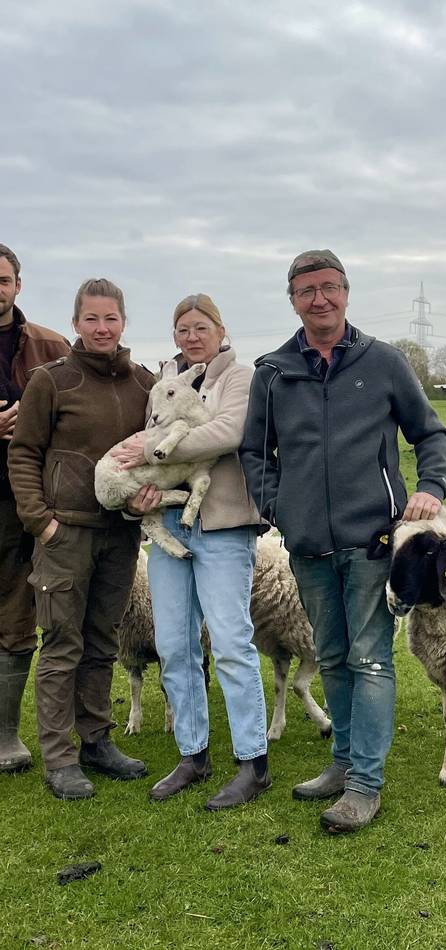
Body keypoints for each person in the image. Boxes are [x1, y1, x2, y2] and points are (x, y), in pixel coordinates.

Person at [240, 249, 446, 834]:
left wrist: (430, 487)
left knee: (370, 658)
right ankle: (341, 763)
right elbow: (256, 453)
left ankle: (364, 784)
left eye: (329, 288)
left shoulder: (383, 363)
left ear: (346, 292)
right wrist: (276, 504)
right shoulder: (274, 372)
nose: (320, 300)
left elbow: (430, 434)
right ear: (293, 300)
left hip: (373, 541)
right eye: (307, 291)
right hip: (306, 546)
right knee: (330, 655)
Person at [114, 293, 270, 809]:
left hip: (223, 525)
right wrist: (142, 486)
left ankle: (253, 761)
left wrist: (154, 448)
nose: (192, 335)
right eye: (183, 328)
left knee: (229, 642)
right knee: (175, 646)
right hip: (172, 529)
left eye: (201, 326)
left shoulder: (240, 378)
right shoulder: (166, 383)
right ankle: (192, 754)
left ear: (220, 330)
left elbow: (228, 431)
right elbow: (148, 440)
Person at [8, 278, 154, 799]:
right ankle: (60, 756)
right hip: (65, 531)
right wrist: (40, 520)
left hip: (120, 535)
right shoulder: (52, 381)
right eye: (91, 318)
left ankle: (96, 740)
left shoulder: (143, 383)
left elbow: (155, 451)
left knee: (102, 642)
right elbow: (24, 452)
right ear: (76, 323)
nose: (101, 327)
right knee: (62, 645)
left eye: (110, 318)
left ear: (123, 322)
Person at [0, 244, 70, 773]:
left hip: (25, 502)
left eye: (3, 280)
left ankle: (7, 736)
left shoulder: (49, 345)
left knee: (17, 613)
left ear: (18, 284)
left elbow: (75, 408)